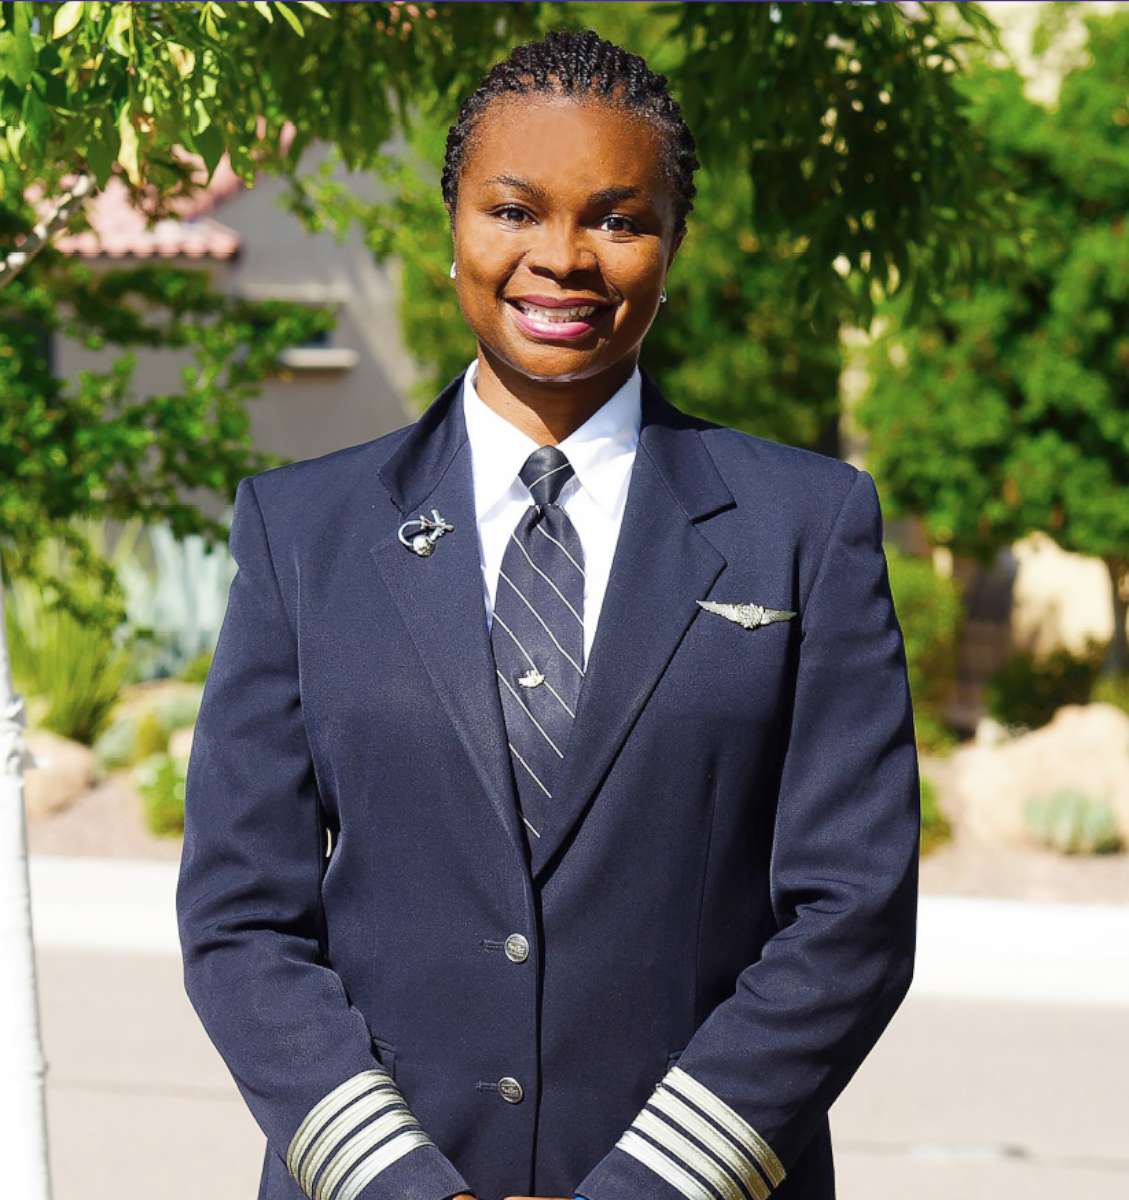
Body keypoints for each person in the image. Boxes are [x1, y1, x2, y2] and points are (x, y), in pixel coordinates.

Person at [176, 27, 919, 1200]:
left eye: (619, 219)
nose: (563, 258)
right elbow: (240, 918)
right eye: (513, 211)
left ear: (671, 245)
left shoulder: (806, 526)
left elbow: (852, 915)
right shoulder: (302, 532)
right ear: (454, 229)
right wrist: (402, 1186)